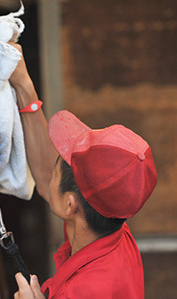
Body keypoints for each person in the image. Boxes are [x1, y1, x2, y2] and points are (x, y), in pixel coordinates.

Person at [8, 43, 158, 299]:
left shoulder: (84, 290)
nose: (50, 174)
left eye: (57, 171)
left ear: (70, 206)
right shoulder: (115, 235)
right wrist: (24, 85)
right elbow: (47, 181)